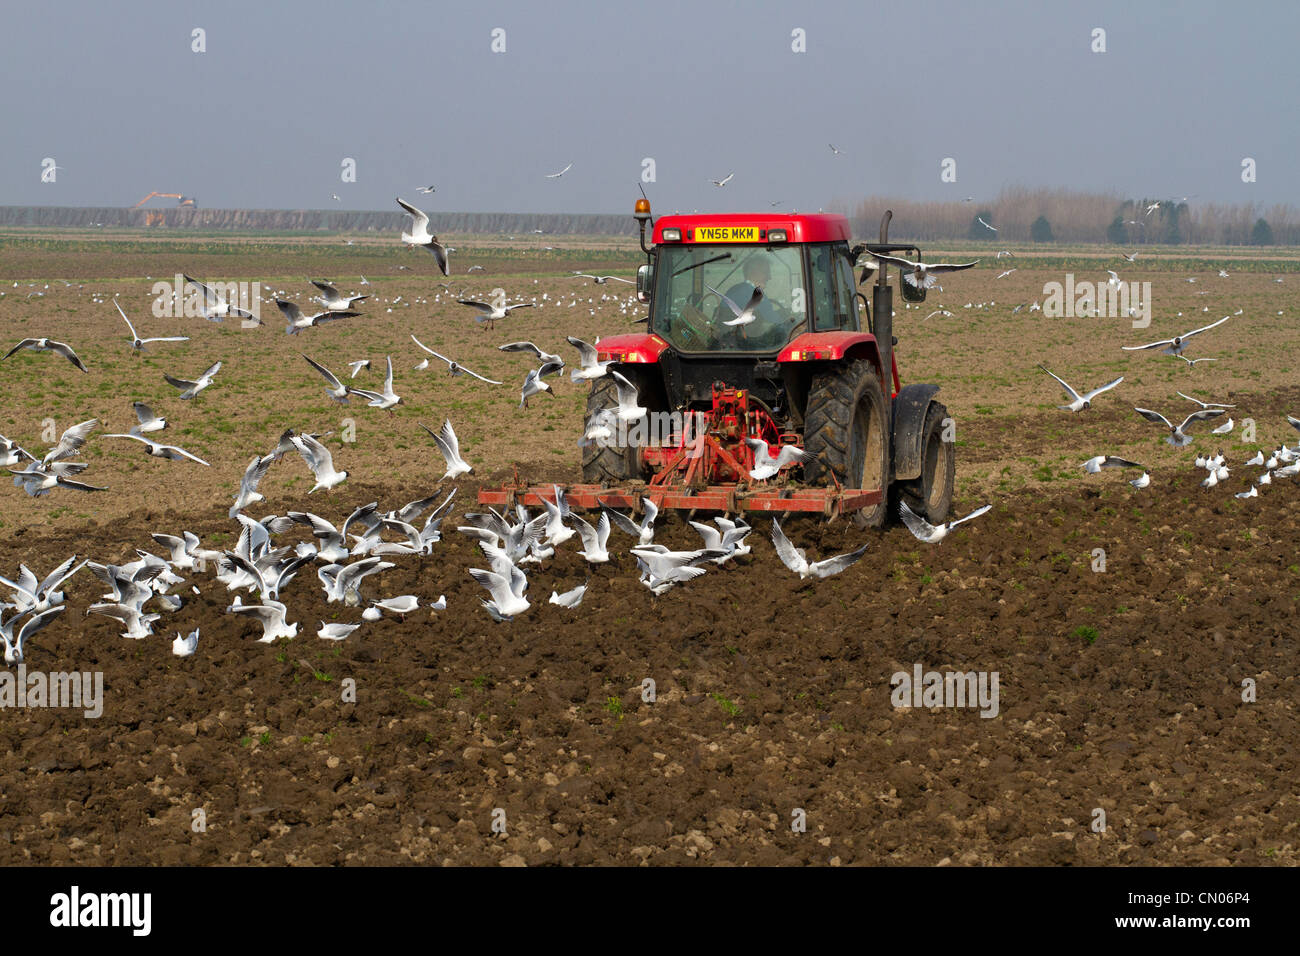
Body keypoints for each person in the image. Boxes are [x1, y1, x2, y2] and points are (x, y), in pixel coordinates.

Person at [712, 256, 789, 348]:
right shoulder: (753, 295)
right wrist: (789, 325)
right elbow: (772, 322)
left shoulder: (736, 290)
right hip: (751, 346)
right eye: (766, 272)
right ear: (754, 273)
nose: (769, 277)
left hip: (735, 344)